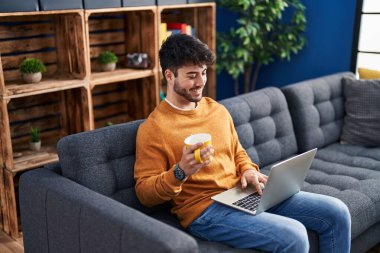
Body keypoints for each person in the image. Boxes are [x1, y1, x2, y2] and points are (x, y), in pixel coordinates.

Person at [134, 34, 351, 253]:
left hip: (242, 192)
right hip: (206, 211)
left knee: (337, 211)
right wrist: (181, 171)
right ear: (170, 76)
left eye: (204, 72)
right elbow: (144, 194)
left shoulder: (216, 110)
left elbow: (238, 152)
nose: (200, 82)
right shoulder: (154, 128)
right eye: (191, 76)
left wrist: (248, 170)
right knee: (294, 236)